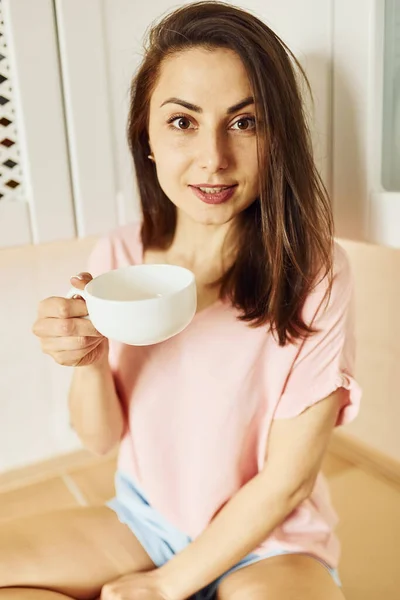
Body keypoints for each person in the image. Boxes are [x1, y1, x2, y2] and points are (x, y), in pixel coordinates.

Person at [1, 2, 362, 599]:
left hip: (271, 541)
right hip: (147, 522)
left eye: (244, 123)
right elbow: (98, 440)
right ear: (147, 136)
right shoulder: (118, 257)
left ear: (278, 138)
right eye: (182, 122)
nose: (214, 158)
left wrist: (166, 587)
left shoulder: (314, 273)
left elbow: (288, 483)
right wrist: (88, 359)